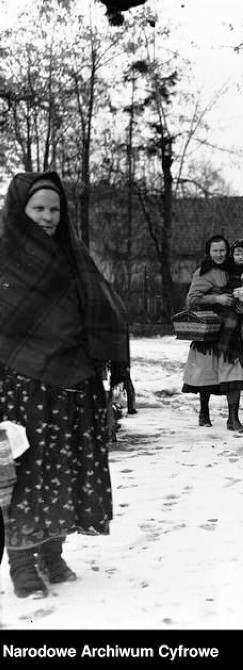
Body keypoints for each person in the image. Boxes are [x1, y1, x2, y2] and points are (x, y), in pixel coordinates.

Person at [0, 171, 129, 598]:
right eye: (38, 208)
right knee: (27, 475)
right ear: (20, 210)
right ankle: (22, 562)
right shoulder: (3, 258)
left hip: (76, 381)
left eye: (55, 209)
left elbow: (104, 307)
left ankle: (52, 553)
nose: (48, 217)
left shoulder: (73, 255)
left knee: (69, 470)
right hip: (24, 386)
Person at [181, 235, 243, 433]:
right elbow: (192, 299)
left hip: (232, 329)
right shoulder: (203, 272)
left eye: (222, 250)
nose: (219, 254)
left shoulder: (233, 269)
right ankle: (204, 411)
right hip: (211, 330)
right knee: (208, 373)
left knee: (235, 372)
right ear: (209, 252)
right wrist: (218, 298)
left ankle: (233, 419)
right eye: (215, 251)